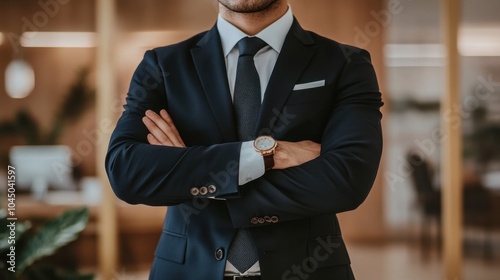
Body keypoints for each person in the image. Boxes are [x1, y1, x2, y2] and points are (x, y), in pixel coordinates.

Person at [106, 0, 383, 279]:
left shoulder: (346, 63)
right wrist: (265, 154)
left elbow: (347, 179)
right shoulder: (162, 66)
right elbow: (126, 171)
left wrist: (191, 175)